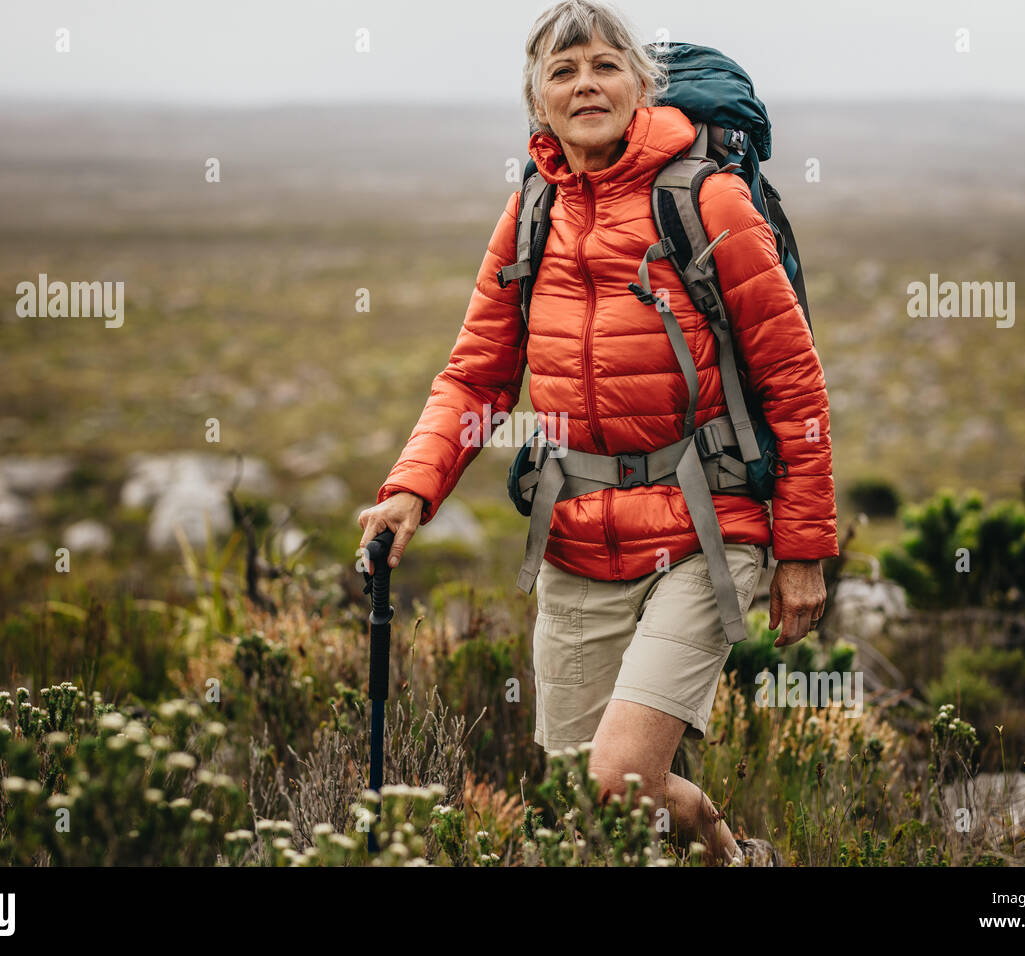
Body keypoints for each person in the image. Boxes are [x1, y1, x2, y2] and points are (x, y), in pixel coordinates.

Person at [357, 0, 836, 865]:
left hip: (705, 526)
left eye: (605, 66)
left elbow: (793, 380)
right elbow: (477, 375)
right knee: (592, 804)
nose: (586, 85)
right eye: (563, 71)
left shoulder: (708, 199)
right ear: (537, 102)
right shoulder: (533, 211)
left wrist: (803, 548)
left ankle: (735, 860)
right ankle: (725, 856)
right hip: (577, 534)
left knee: (617, 784)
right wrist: (410, 490)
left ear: (640, 84)